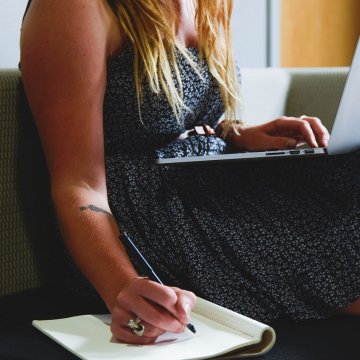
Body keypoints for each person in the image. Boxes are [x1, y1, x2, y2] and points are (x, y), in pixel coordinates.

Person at [20, 0, 360, 345]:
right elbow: (78, 183)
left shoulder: (210, 4)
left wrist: (238, 134)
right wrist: (122, 285)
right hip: (145, 214)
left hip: (206, 180)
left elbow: (179, 120)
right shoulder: (72, 7)